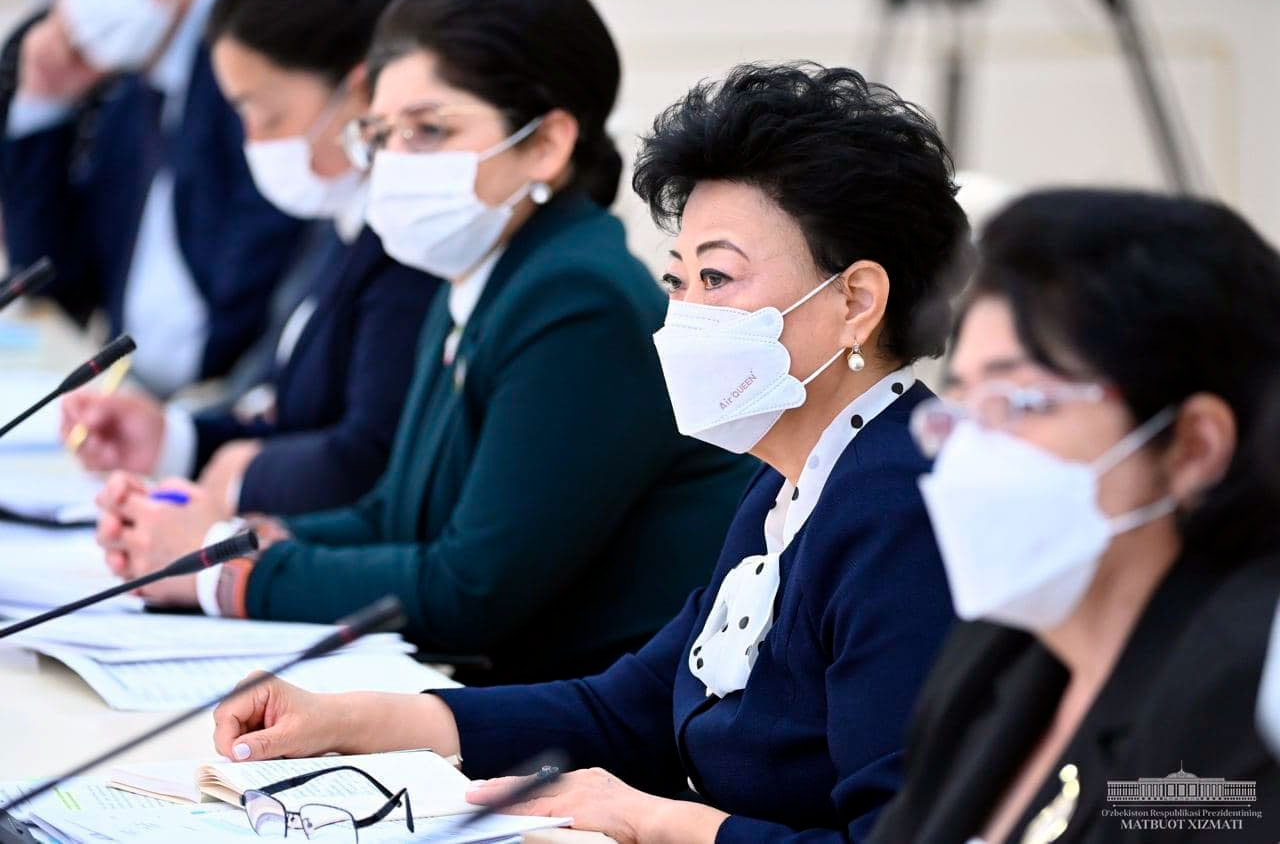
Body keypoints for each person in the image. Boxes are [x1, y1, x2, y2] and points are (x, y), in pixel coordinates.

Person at [207, 61, 970, 841]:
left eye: (718, 278)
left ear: (856, 301)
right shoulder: (794, 481)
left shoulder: (904, 508)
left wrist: (654, 821)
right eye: (678, 281)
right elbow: (628, 708)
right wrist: (352, 719)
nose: (685, 317)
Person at [94, 0, 755, 685]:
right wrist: (226, 541)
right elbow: (396, 514)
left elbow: (469, 592)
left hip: (591, 718)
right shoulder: (483, 271)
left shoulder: (577, 297)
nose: (394, 161)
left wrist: (225, 573)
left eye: (429, 130)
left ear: (545, 143)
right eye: (381, 135)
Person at [867, 190, 1280, 843]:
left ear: (1194, 447)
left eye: (1020, 403)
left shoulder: (1245, 707)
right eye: (964, 404)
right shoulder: (995, 653)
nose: (972, 450)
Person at [56, 0, 436, 518]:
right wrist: (171, 441)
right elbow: (295, 420)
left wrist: (244, 481)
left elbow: (372, 458)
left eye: (269, 117)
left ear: (361, 95)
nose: (253, 141)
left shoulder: (409, 249)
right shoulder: (341, 226)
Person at [0, 0, 305, 396]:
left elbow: (259, 280)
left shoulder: (248, 63)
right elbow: (49, 277)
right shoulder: (132, 90)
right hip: (132, 385)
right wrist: (45, 106)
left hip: (217, 398)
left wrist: (190, 419)